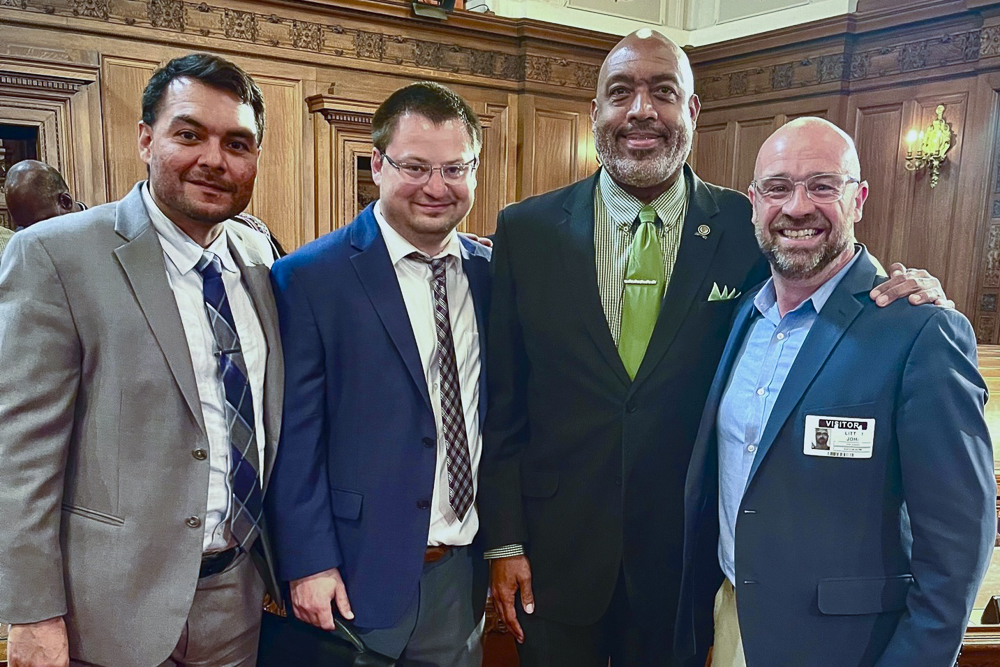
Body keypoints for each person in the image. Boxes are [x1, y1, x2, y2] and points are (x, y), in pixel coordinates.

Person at [479, 29, 951, 667]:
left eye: (663, 92)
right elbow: (504, 399)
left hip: (687, 563)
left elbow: (824, 277)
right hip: (556, 559)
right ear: (595, 115)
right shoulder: (526, 230)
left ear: (693, 112)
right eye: (620, 93)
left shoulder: (749, 226)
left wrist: (914, 285)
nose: (641, 110)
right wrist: (505, 541)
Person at [676, 117, 995, 667]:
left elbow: (959, 539)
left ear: (859, 198)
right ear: (754, 203)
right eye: (778, 188)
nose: (798, 207)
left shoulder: (918, 329)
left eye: (822, 186)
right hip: (733, 622)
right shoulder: (741, 317)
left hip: (850, 647)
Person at [0, 52, 283, 667]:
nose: (214, 159)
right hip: (104, 609)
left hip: (237, 599)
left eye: (238, 143)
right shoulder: (55, 254)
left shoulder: (259, 257)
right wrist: (30, 613)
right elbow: (19, 456)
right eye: (189, 134)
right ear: (145, 138)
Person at [267, 81, 490, 666]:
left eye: (455, 168)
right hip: (353, 574)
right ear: (377, 164)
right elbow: (295, 437)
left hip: (461, 577)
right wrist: (309, 561)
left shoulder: (493, 275)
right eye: (415, 166)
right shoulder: (311, 278)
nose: (437, 188)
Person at [3, 159, 86, 230]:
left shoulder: (98, 230)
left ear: (65, 202)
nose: (33, 234)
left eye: (39, 225)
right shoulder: (21, 242)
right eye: (24, 227)